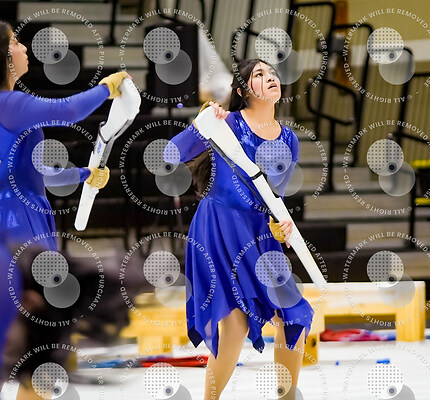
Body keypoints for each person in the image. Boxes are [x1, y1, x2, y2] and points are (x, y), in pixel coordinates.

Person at [165, 58, 314, 399]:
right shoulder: (227, 123)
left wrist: (280, 224)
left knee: (293, 315)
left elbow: (273, 197)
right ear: (243, 91)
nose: (270, 77)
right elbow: (172, 153)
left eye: (272, 73)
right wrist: (201, 123)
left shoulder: (289, 139)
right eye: (259, 74)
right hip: (219, 227)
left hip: (258, 234)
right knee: (234, 324)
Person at [0, 19, 128, 391]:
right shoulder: (8, 104)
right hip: (16, 224)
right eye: (16, 42)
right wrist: (106, 89)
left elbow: (40, 172)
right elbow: (69, 110)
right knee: (32, 339)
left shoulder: (11, 109)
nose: (24, 48)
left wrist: (84, 174)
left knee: (35, 347)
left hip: (28, 216)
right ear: (3, 54)